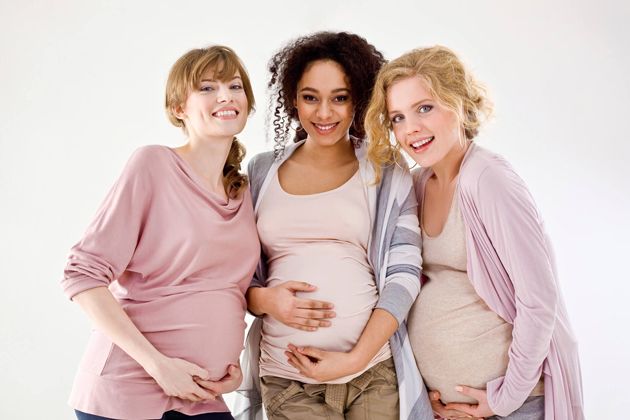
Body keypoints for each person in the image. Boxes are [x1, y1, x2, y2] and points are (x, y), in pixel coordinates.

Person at [365, 45, 584, 419]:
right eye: (397, 117)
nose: (410, 128)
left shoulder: (488, 179)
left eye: (425, 108)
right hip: (449, 410)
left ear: (459, 103)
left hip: (515, 408)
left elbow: (538, 300)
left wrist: (504, 399)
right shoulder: (417, 183)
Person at [234, 32, 433, 420]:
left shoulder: (385, 169)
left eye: (339, 98)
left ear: (358, 99)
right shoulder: (261, 172)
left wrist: (353, 359)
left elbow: (405, 275)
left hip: (371, 369)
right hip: (287, 374)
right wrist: (266, 301)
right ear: (293, 99)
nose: (324, 113)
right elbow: (234, 274)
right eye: (311, 97)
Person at [61, 45, 260, 420]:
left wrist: (232, 373)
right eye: (206, 88)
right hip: (129, 390)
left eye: (235, 86)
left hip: (203, 394)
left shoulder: (243, 190)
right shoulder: (153, 165)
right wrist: (157, 365)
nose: (225, 96)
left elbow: (231, 289)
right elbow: (82, 275)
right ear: (178, 108)